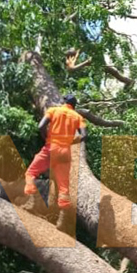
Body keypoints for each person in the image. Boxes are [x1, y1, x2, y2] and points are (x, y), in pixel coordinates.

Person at [23, 94, 87, 232]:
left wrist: (46, 137)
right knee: (64, 187)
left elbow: (41, 126)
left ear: (64, 102)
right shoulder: (78, 117)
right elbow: (84, 135)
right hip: (65, 152)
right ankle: (62, 221)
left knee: (30, 173)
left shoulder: (53, 111)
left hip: (51, 147)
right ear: (74, 106)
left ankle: (31, 202)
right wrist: (71, 142)